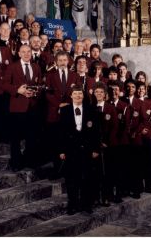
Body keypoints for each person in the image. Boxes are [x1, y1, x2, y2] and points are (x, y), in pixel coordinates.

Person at [58, 85, 100, 215]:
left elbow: (96, 132)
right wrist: (62, 151)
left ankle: (86, 204)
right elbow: (61, 133)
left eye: (80, 94)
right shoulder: (64, 111)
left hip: (87, 150)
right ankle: (73, 204)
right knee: (71, 179)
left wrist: (95, 149)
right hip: (71, 151)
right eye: (75, 94)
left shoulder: (91, 110)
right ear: (71, 96)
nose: (77, 96)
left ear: (83, 96)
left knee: (87, 178)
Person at [3, 44, 42, 171]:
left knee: (32, 136)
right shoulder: (12, 67)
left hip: (32, 106)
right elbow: (5, 84)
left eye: (28, 52)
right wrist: (17, 90)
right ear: (19, 54)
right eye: (23, 52)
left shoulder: (36, 67)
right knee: (15, 138)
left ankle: (29, 160)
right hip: (17, 107)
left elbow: (40, 85)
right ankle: (16, 162)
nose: (26, 54)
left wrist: (35, 92)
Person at [45, 51, 80, 179]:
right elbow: (47, 94)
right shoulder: (50, 75)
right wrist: (59, 104)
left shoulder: (74, 75)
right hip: (55, 112)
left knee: (69, 142)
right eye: (60, 60)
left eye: (65, 60)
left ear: (68, 61)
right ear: (56, 62)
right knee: (55, 142)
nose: (62, 62)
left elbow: (78, 92)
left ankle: (68, 170)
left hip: (70, 112)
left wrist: (68, 105)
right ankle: (57, 170)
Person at [92, 81, 118, 207]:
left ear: (105, 94)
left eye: (101, 92)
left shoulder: (110, 108)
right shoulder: (91, 107)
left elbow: (114, 127)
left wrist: (106, 143)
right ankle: (96, 196)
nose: (99, 94)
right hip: (95, 146)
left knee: (106, 173)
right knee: (95, 173)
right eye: (96, 92)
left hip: (107, 146)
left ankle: (106, 196)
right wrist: (96, 143)